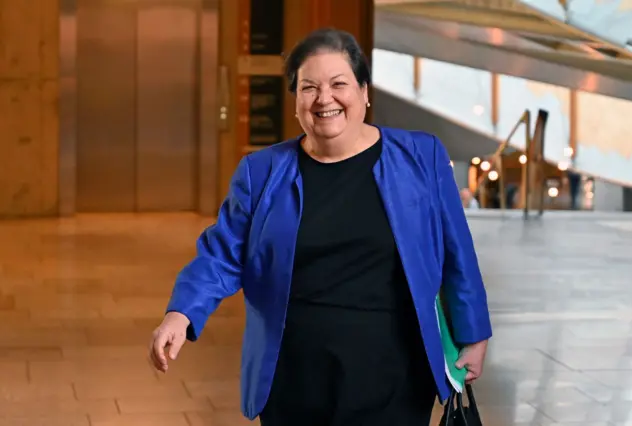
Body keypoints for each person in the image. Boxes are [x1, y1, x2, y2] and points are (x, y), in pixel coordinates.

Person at [149, 28, 492, 426]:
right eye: (308, 87)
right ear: (296, 102)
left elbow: (457, 253)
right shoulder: (262, 174)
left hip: (394, 370)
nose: (324, 98)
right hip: (293, 374)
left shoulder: (421, 156)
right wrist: (181, 313)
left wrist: (474, 333)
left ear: (365, 92)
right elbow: (222, 255)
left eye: (338, 84)